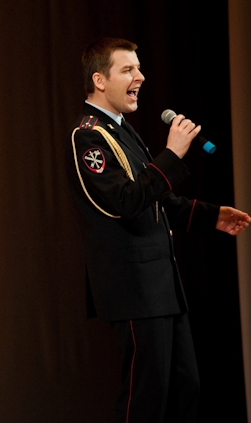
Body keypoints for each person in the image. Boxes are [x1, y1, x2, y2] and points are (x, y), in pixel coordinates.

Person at [66, 37, 250, 422]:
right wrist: (172, 154)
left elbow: (157, 198)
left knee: (186, 388)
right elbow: (126, 201)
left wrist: (209, 216)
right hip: (134, 288)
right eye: (128, 69)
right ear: (99, 80)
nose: (140, 76)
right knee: (145, 400)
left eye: (139, 68)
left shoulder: (121, 129)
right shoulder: (88, 137)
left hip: (160, 286)